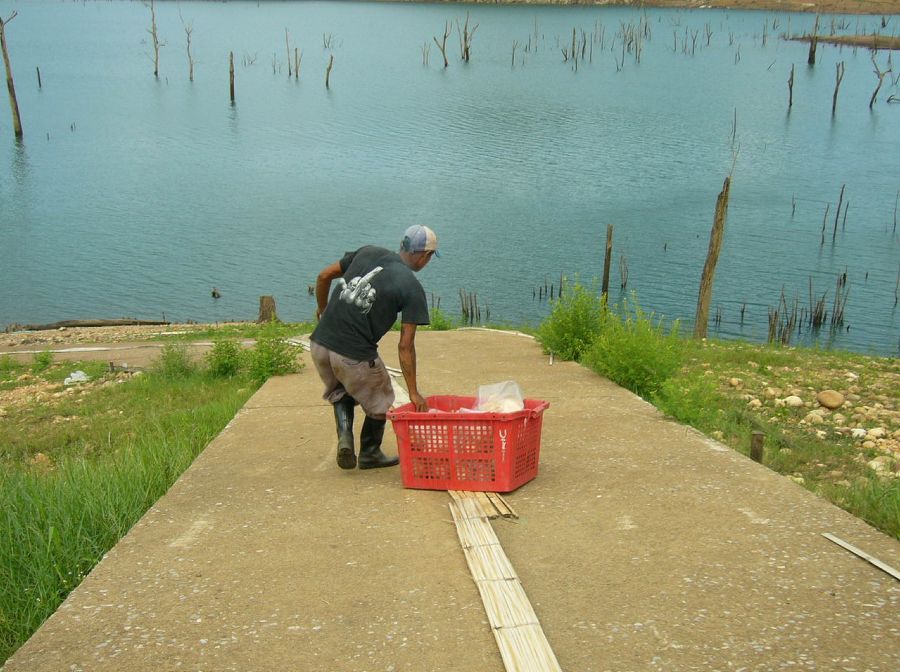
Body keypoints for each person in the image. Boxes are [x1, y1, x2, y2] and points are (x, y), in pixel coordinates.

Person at [310, 225, 439, 470]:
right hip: (352, 354)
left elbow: (324, 276)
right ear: (425, 256)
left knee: (341, 390)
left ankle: (345, 438)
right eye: (430, 256)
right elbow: (405, 346)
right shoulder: (411, 287)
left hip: (320, 344)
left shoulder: (368, 251)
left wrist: (322, 309)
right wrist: (413, 392)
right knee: (381, 396)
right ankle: (370, 453)